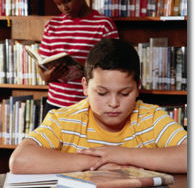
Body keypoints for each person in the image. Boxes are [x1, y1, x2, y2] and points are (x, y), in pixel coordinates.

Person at [9, 39, 187, 174]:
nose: (114, 103)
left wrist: (122, 155)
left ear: (137, 87)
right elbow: (19, 160)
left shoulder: (151, 118)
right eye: (102, 93)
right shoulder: (64, 120)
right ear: (85, 86)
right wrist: (102, 162)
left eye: (124, 93)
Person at [38, 0, 119, 118]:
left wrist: (85, 69)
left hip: (89, 105)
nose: (64, 8)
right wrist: (46, 77)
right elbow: (42, 68)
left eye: (67, 1)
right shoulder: (52, 26)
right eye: (58, 4)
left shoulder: (103, 25)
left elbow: (114, 67)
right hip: (55, 106)